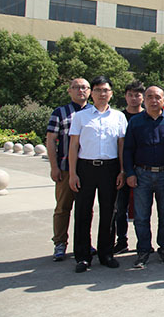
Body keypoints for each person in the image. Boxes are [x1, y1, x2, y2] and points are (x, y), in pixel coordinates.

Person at [68, 76, 127, 273]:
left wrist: (122, 171)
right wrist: (73, 173)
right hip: (85, 168)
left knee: (109, 212)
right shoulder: (80, 117)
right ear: (91, 93)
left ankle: (106, 253)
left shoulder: (118, 117)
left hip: (110, 168)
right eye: (98, 90)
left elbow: (121, 146)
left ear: (111, 93)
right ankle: (83, 256)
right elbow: (73, 146)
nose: (102, 94)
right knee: (83, 211)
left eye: (106, 90)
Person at [123, 86, 164, 269]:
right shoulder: (135, 122)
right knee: (141, 216)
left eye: (157, 97)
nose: (153, 101)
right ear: (144, 100)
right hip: (142, 174)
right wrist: (129, 173)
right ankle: (143, 250)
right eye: (149, 97)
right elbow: (128, 149)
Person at [46, 77, 91, 262]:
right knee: (63, 208)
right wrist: (54, 166)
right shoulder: (60, 112)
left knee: (86, 208)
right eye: (76, 87)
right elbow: (50, 140)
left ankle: (84, 242)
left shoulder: (94, 112)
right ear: (69, 91)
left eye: (84, 87)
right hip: (65, 169)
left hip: (88, 169)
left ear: (90, 91)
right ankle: (60, 242)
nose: (81, 90)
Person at [113, 80, 145, 255]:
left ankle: (144, 243)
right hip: (121, 169)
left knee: (143, 209)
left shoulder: (148, 116)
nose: (134, 98)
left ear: (143, 97)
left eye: (137, 95)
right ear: (125, 96)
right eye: (130, 95)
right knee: (120, 208)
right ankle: (121, 240)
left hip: (143, 169)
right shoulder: (118, 117)